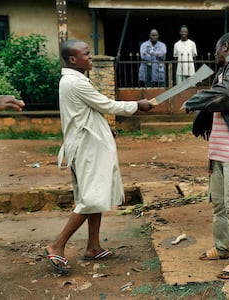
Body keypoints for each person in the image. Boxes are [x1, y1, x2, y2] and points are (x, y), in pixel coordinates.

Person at [44, 39, 153, 273]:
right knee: (91, 198)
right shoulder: (75, 83)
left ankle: (93, 247)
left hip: (87, 144)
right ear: (73, 59)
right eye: (86, 54)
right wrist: (137, 104)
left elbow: (88, 110)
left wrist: (105, 126)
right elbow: (106, 105)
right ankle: (57, 245)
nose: (90, 57)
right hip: (87, 148)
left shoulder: (75, 80)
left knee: (94, 195)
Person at [183, 31, 229, 279]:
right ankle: (223, 248)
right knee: (219, 205)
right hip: (218, 153)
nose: (214, 54)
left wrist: (195, 100)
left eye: (216, 49)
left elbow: (227, 94)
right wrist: (211, 157)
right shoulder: (223, 72)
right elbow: (216, 113)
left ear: (225, 47)